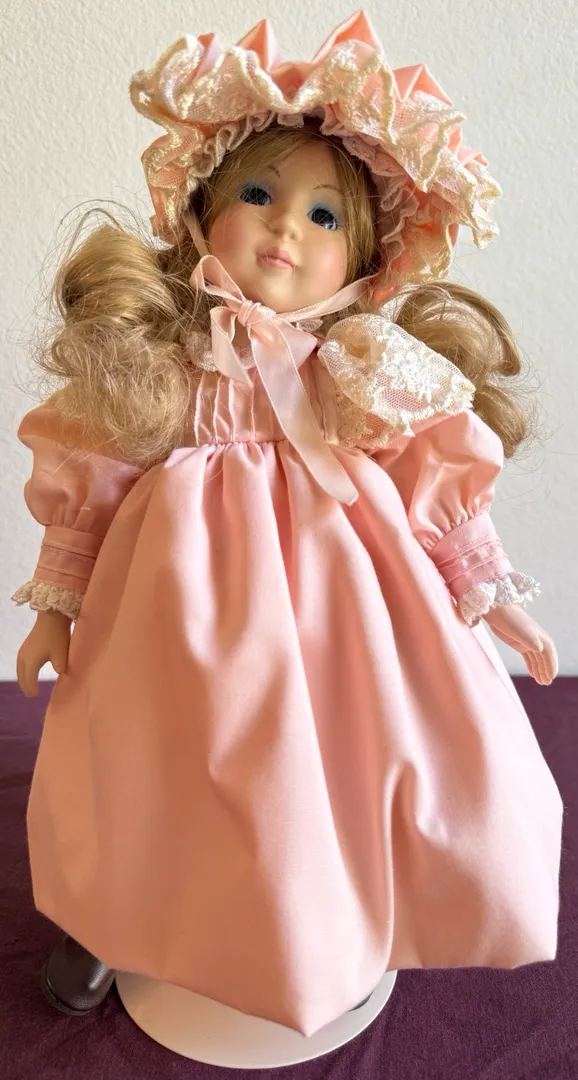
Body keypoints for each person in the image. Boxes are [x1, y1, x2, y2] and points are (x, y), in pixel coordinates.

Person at [12, 10, 563, 1037]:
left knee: (366, 757)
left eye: (323, 217)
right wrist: (56, 606)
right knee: (146, 761)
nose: (286, 232)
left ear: (366, 256)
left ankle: (344, 916)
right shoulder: (165, 361)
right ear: (200, 211)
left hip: (345, 608)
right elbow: (91, 476)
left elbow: (433, 474)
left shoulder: (361, 366)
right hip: (176, 612)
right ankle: (115, 917)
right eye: (258, 196)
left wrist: (490, 596)